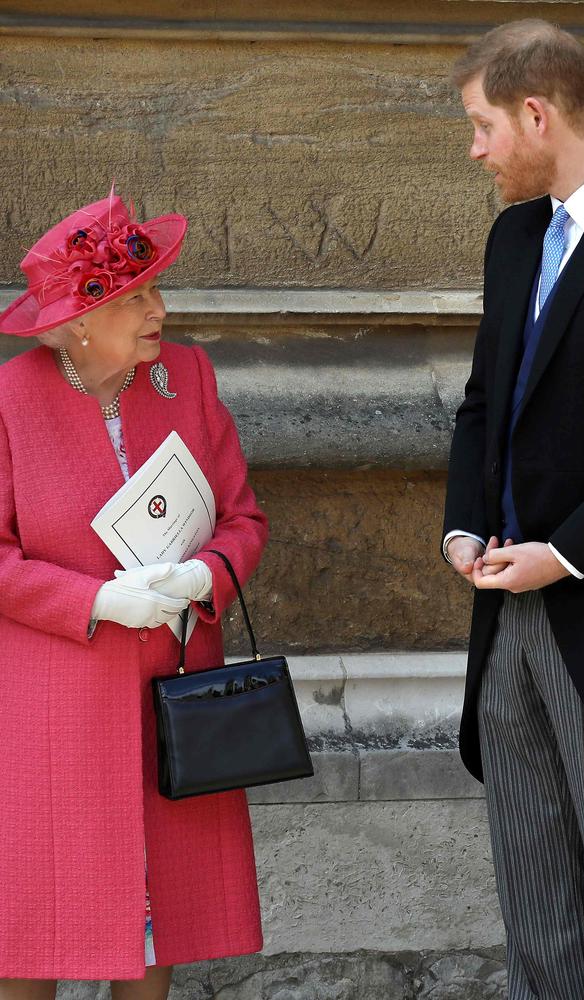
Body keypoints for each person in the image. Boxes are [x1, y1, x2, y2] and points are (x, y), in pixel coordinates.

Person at [0, 192, 268, 1000]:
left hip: (171, 698)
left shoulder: (184, 374)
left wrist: (203, 577)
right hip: (55, 707)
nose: (161, 310)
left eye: (156, 290)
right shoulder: (12, 399)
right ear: (81, 319)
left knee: (159, 928)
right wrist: (91, 602)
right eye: (138, 296)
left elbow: (242, 519)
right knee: (35, 931)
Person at [442, 19, 584, 999]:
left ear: (536, 113)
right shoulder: (511, 236)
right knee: (531, 904)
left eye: (483, 125)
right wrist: (459, 523)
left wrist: (562, 553)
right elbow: (484, 401)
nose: (476, 148)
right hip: (503, 617)